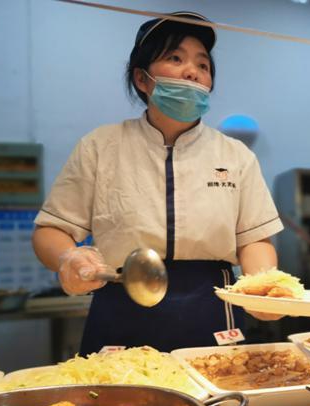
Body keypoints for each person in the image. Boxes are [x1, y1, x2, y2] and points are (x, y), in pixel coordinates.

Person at [32, 11, 284, 354]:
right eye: (175, 58)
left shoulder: (236, 155)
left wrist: (264, 290)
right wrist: (67, 259)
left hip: (211, 309)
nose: (192, 71)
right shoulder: (100, 146)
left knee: (217, 403)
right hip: (121, 301)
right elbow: (51, 230)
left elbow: (254, 239)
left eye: (203, 65)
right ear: (142, 78)